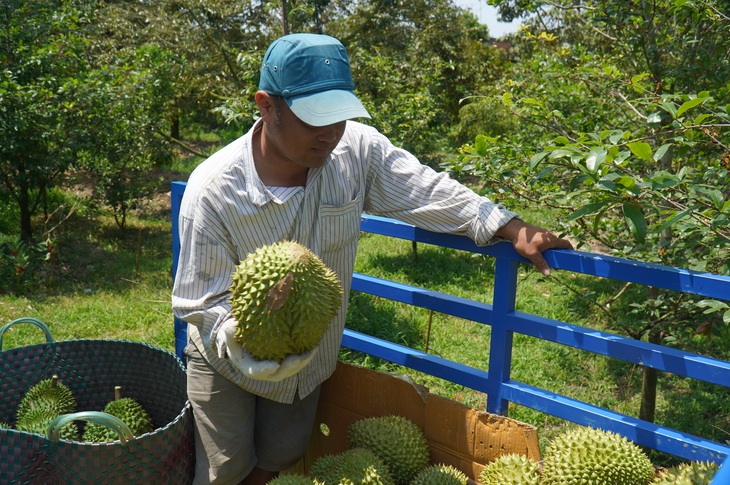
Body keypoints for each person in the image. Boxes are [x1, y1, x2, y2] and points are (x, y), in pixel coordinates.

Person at [172, 33, 573, 485]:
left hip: (311, 358)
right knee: (222, 473)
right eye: (314, 119)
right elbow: (199, 297)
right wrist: (238, 340)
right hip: (226, 362)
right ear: (267, 106)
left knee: (280, 458)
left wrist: (510, 225)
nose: (330, 133)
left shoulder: (355, 151)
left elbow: (425, 189)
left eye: (339, 117)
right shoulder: (214, 190)